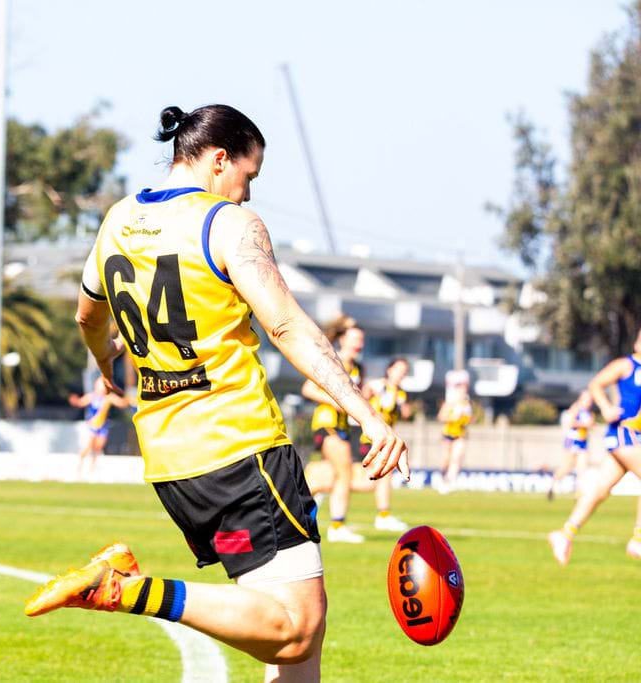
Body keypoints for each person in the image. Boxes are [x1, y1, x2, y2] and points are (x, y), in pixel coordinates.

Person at [24, 104, 409, 681]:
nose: (248, 193)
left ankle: (127, 587)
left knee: (294, 647)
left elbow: (87, 316)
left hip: (172, 465)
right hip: (240, 449)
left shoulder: (119, 219)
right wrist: (367, 415)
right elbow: (286, 325)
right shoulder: (228, 224)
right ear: (220, 159)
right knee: (297, 629)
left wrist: (105, 361)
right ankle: (126, 590)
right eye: (249, 176)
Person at [548, 330, 641, 565]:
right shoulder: (626, 365)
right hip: (624, 433)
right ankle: (638, 540)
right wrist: (607, 408)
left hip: (636, 437)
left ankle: (565, 534)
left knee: (600, 490)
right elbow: (596, 384)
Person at [300, 316, 367, 543]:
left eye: (361, 339)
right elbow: (308, 389)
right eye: (354, 338)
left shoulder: (357, 368)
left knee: (331, 476)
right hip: (327, 424)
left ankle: (295, 506)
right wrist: (338, 402)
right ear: (343, 340)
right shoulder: (334, 361)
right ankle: (337, 525)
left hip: (342, 426)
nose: (359, 343)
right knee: (344, 473)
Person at [354, 358, 412, 532]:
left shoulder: (400, 393)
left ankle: (331, 487)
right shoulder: (378, 385)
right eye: (398, 370)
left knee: (372, 479)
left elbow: (407, 414)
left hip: (387, 439)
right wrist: (372, 392)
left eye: (404, 371)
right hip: (372, 438)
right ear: (389, 370)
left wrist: (403, 404)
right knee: (383, 475)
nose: (401, 374)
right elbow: (362, 397)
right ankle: (383, 516)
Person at [69, 376, 132, 477]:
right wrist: (75, 401)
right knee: (89, 446)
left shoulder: (109, 397)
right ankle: (79, 465)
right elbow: (81, 402)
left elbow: (122, 403)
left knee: (98, 447)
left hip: (103, 425)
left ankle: (92, 468)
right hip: (93, 424)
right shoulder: (92, 396)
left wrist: (128, 400)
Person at [548, 391, 594, 500]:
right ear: (581, 399)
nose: (589, 403)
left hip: (583, 443)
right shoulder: (576, 408)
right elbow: (570, 423)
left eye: (590, 400)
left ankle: (578, 494)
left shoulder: (589, 412)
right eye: (586, 400)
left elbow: (590, 425)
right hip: (572, 441)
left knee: (582, 469)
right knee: (567, 467)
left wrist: (590, 425)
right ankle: (552, 484)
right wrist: (584, 425)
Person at [437, 372, 473, 494]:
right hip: (448, 434)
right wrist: (452, 418)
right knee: (447, 458)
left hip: (460, 434)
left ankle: (451, 480)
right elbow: (441, 417)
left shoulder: (467, 404)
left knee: (457, 458)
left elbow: (469, 419)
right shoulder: (450, 403)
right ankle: (442, 477)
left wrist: (466, 420)